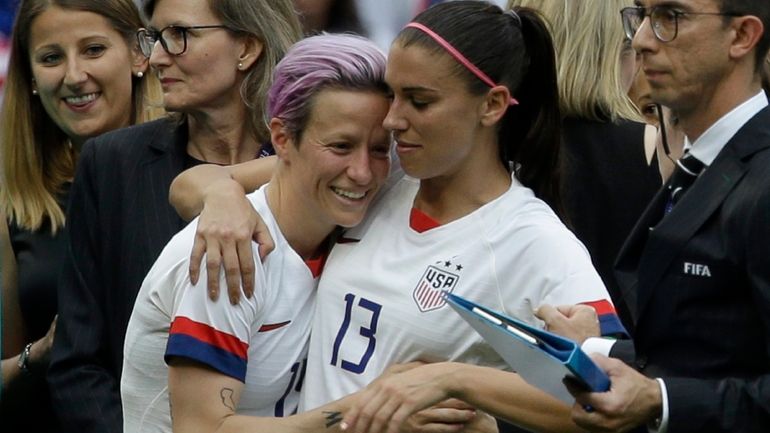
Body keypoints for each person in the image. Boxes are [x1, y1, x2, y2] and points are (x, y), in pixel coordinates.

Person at [172, 2, 626, 432]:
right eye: (392, 95)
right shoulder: (376, 175)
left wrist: (457, 381)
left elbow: (610, 393)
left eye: (419, 101)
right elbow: (191, 184)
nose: (391, 120)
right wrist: (226, 199)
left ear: (491, 105)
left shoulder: (532, 239)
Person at [121, 33, 400, 433]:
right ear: (282, 139)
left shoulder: (352, 212)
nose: (362, 172)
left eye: (378, 149)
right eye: (340, 146)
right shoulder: (229, 250)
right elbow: (203, 428)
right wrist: (373, 407)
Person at [45, 1, 301, 432]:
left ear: (247, 47)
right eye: (155, 37)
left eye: (179, 35)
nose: (157, 56)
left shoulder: (313, 168)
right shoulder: (111, 163)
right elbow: (78, 364)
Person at [547, 1, 770, 432]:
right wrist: (597, 349)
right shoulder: (704, 160)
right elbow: (713, 350)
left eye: (671, 18)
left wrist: (661, 400)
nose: (643, 40)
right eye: (643, 16)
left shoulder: (759, 176)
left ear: (741, 36)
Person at [0, 0, 163, 430]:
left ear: (138, 55)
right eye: (51, 57)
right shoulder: (15, 204)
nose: (74, 76)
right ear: (30, 79)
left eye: (93, 49)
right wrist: (41, 353)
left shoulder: (193, 179)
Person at [506, 0, 661, 333]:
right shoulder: (653, 146)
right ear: (616, 50)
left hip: (500, 354)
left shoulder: (488, 135)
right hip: (615, 361)